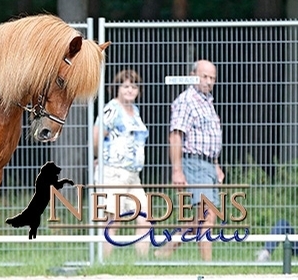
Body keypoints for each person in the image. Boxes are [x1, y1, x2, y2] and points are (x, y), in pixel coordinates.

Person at [155, 60, 224, 261]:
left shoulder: (207, 102)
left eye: (212, 78)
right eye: (205, 76)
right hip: (193, 163)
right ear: (193, 75)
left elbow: (209, 137)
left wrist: (216, 166)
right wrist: (177, 170)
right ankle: (207, 265)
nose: (209, 81)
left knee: (200, 218)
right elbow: (175, 135)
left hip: (209, 164)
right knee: (207, 213)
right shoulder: (186, 100)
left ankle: (163, 253)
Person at [93, 69, 150, 258]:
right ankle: (103, 261)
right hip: (113, 171)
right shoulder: (112, 108)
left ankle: (143, 262)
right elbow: (97, 135)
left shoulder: (136, 111)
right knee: (112, 218)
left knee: (144, 217)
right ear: (117, 88)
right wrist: (97, 157)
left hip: (133, 173)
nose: (130, 90)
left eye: (134, 86)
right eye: (125, 86)